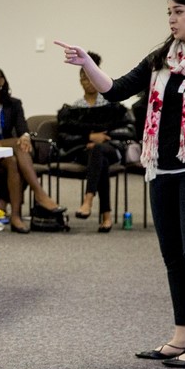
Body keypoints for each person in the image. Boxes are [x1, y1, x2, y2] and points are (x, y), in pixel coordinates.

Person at [59, 0, 185, 369]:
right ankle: (183, 334)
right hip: (161, 166)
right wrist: (87, 64)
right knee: (173, 255)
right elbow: (116, 90)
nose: (171, 19)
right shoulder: (164, 56)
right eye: (169, 12)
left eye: (179, 12)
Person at [0, 64, 64, 232]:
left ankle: (15, 215)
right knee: (19, 145)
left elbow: (22, 126)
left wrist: (25, 136)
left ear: (1, 81)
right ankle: (39, 194)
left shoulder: (14, 104)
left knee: (15, 160)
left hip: (7, 152)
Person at [55, 51, 133, 233]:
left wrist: (104, 138)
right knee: (99, 158)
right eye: (84, 78)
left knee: (99, 151)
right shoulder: (74, 108)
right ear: (80, 80)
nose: (88, 81)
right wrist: (89, 138)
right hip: (84, 151)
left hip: (112, 149)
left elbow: (129, 130)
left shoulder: (113, 106)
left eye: (91, 77)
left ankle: (88, 199)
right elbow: (65, 137)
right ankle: (105, 215)